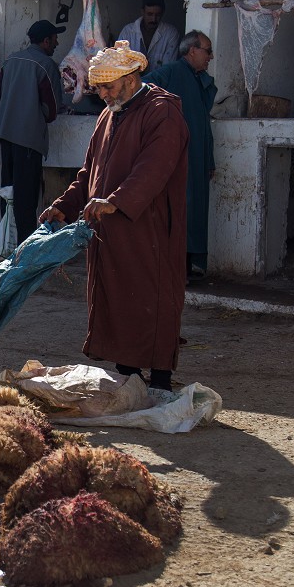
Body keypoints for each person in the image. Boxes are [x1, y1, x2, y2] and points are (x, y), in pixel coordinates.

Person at [41, 43, 188, 391]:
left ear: (133, 77)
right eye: (99, 88)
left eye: (109, 87)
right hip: (109, 227)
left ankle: (160, 382)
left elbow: (154, 169)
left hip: (147, 226)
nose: (103, 94)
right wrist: (65, 205)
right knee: (121, 301)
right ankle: (129, 377)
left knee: (151, 299)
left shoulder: (161, 112)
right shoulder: (110, 112)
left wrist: (116, 202)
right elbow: (89, 171)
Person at [146, 32, 217, 282]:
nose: (210, 56)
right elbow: (142, 87)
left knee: (195, 211)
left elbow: (203, 123)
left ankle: (187, 268)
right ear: (192, 51)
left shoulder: (197, 78)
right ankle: (176, 271)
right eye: (207, 51)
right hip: (179, 157)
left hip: (197, 157)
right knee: (180, 210)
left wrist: (209, 161)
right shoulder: (173, 72)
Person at [0, 19, 65, 243]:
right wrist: (31, 115)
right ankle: (24, 246)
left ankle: (6, 242)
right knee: (26, 195)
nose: (56, 43)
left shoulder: (10, 60)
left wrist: (11, 112)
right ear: (45, 41)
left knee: (8, 192)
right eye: (54, 39)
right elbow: (52, 109)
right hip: (28, 138)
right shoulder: (46, 64)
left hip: (5, 134)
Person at [119, 0, 181, 71]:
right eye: (150, 14)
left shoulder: (170, 33)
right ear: (142, 12)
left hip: (159, 81)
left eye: (157, 15)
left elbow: (169, 68)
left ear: (163, 13)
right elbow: (119, 62)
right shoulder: (127, 31)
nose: (153, 19)